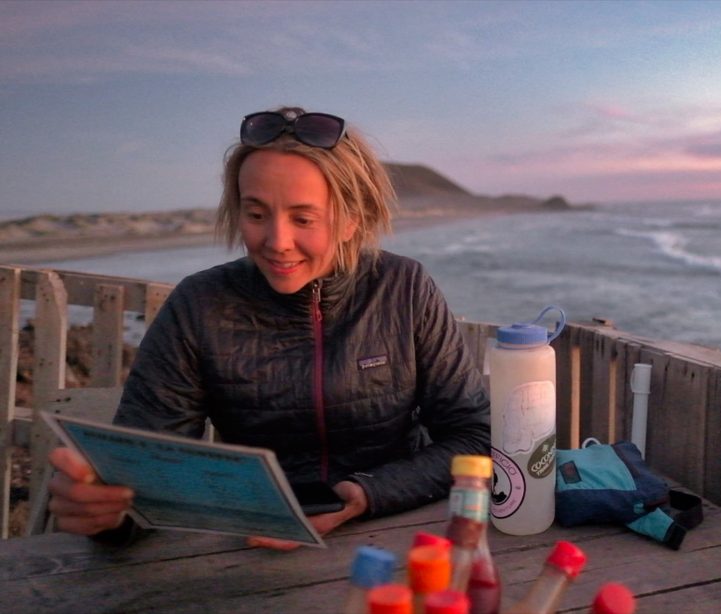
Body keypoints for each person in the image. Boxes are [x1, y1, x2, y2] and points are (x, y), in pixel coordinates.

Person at [46, 107, 491, 549]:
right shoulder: (200, 305)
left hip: (396, 531)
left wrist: (368, 493)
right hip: (250, 546)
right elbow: (145, 472)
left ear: (353, 218)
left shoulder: (402, 288)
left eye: (303, 218)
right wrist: (108, 514)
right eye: (256, 215)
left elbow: (476, 435)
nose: (276, 241)